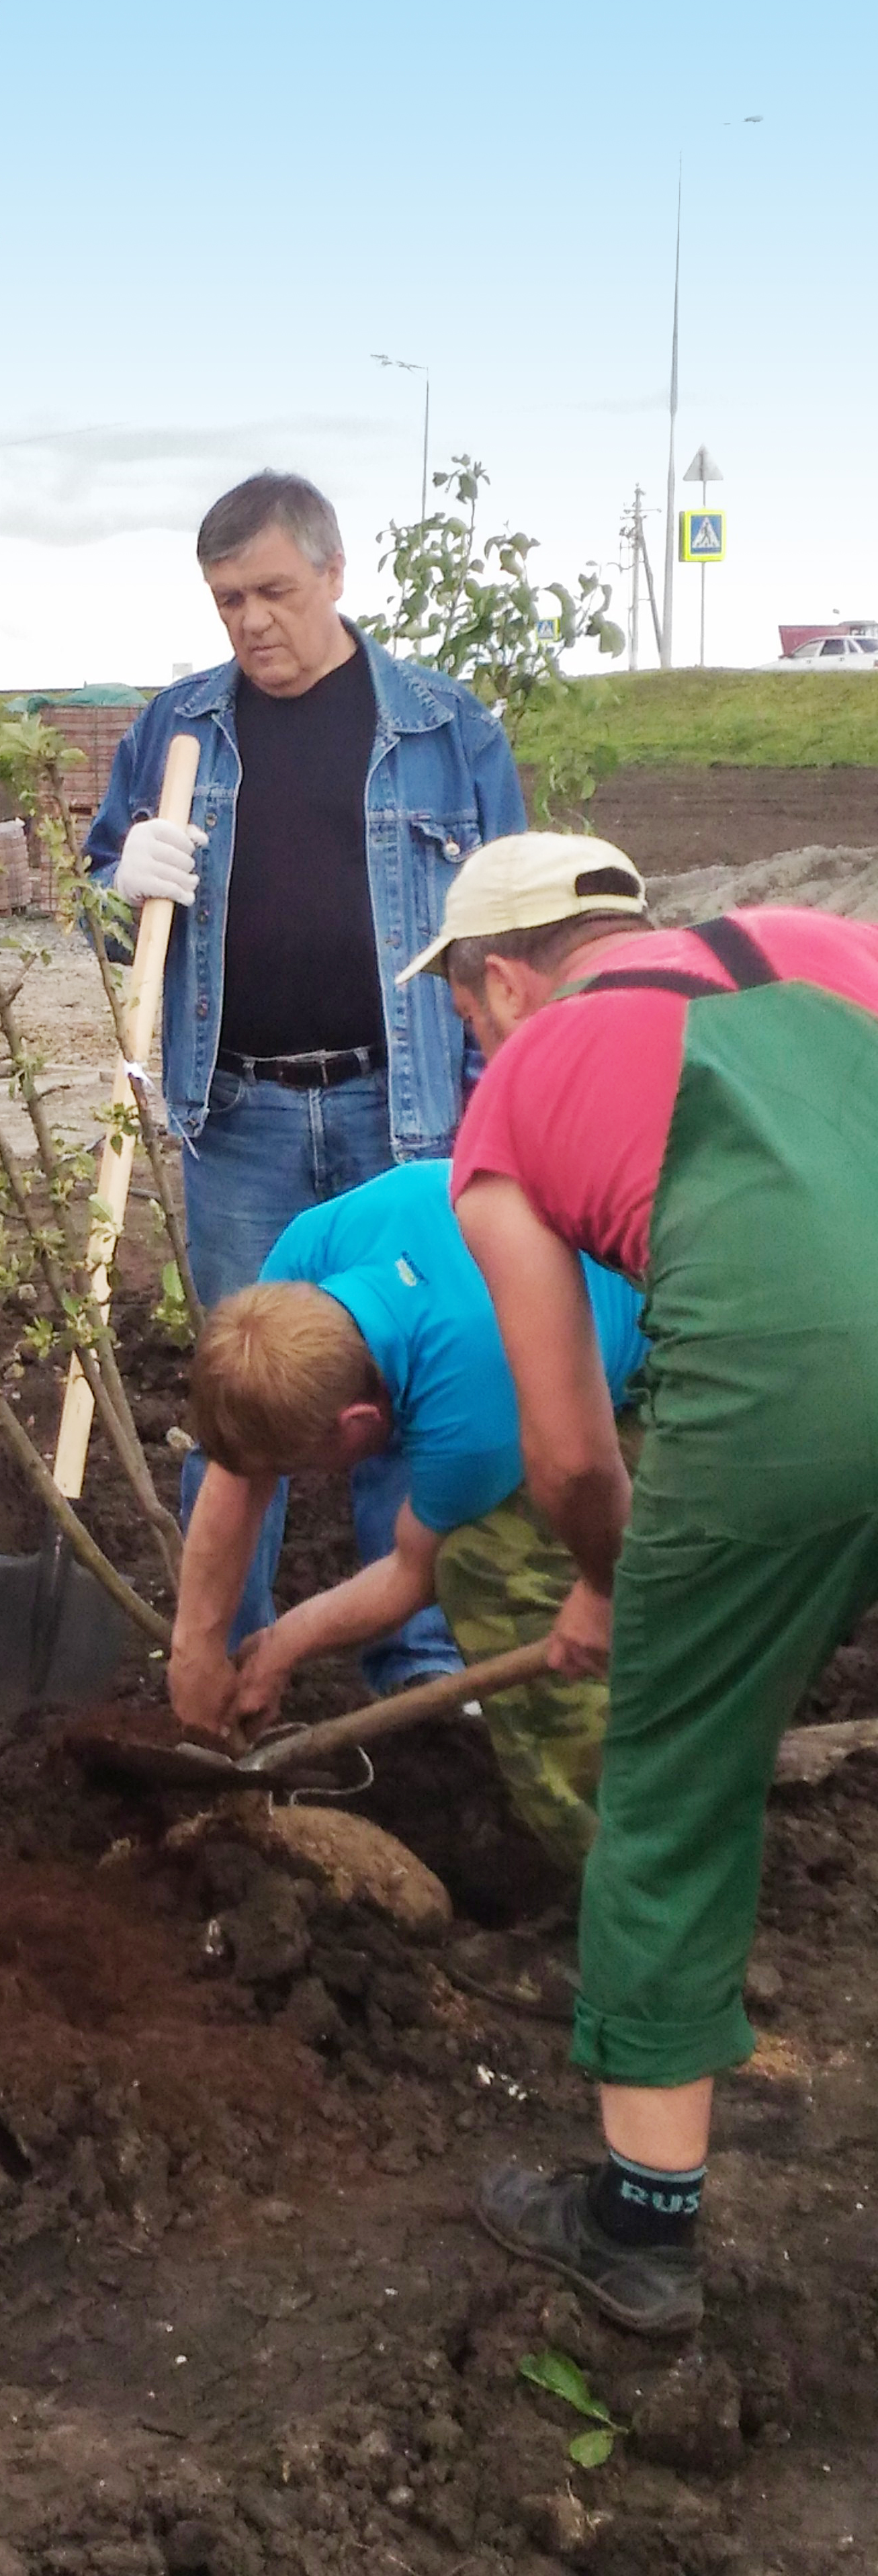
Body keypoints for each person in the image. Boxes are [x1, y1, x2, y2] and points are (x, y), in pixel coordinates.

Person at [422, 831, 878, 2336]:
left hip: (797, 1393)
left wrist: (617, 1589)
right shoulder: (822, 950)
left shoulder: (516, 1092)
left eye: (466, 1006)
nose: (471, 1036)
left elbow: (563, 1457)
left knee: (674, 1792)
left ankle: (638, 2231)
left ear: (502, 977)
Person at [85, 471, 525, 1694]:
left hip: (412, 1111)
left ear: (334, 574)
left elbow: (508, 937)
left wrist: (498, 1107)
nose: (250, 622)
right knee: (249, 1397)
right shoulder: (175, 734)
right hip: (242, 1115)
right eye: (226, 599)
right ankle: (221, 1657)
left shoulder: (446, 732)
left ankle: (414, 1669)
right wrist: (118, 880)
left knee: (413, 1376)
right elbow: (98, 909)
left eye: (273, 591)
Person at [165, 1159, 648, 1875]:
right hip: (575, 1293)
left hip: (688, 1365)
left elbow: (415, 1571)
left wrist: (286, 1643)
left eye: (305, 1465)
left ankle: (621, 1865)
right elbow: (239, 1474)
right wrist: (194, 1652)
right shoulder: (298, 1273)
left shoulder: (475, 1407)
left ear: (357, 1425)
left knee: (493, 1572)